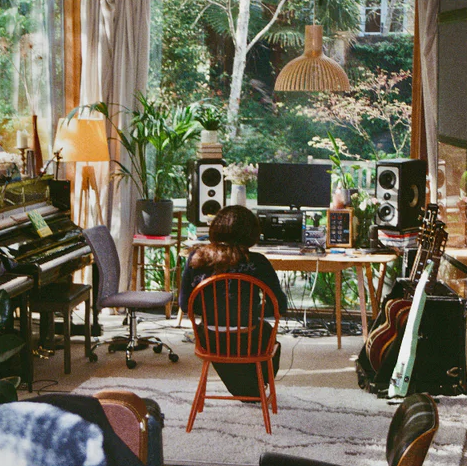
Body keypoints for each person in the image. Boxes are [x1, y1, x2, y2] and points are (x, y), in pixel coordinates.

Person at [179, 205, 287, 397]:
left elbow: (185, 304)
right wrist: (250, 311)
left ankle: (247, 388)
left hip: (210, 339)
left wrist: (213, 311)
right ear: (252, 233)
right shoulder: (258, 262)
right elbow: (280, 306)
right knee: (267, 333)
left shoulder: (196, 258)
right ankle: (255, 387)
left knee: (225, 338)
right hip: (248, 338)